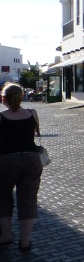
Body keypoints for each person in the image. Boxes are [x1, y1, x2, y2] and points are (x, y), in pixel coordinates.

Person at [0, 82, 43, 251]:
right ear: (22, 96)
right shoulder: (32, 113)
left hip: (6, 160)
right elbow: (36, 134)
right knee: (28, 199)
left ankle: (6, 235)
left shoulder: (1, 116)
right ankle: (25, 241)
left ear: (4, 99)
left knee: (3, 196)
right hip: (32, 159)